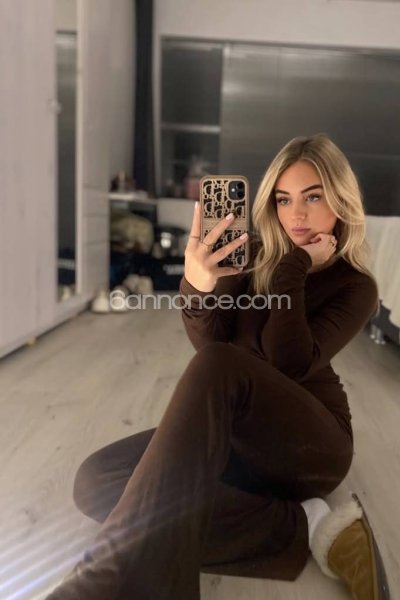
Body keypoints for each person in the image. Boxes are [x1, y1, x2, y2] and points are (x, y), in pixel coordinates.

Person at [45, 134, 390, 600]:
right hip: (235, 432)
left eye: (313, 197)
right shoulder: (250, 257)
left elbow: (287, 361)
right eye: (283, 199)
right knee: (97, 483)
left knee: (223, 365)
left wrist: (294, 266)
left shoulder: (355, 285)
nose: (296, 214)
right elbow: (208, 344)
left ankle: (105, 580)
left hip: (309, 444)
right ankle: (302, 526)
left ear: (340, 200)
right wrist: (198, 283)